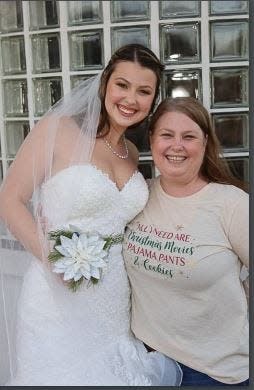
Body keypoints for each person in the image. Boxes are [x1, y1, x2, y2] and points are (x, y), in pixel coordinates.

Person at [0, 44, 182, 386]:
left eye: (144, 91)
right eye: (122, 85)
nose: (130, 99)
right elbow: (10, 198)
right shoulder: (58, 129)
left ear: (153, 101)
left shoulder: (130, 151)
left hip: (113, 295)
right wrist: (51, 256)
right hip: (56, 294)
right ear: (105, 85)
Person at [123, 97, 249, 386]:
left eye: (189, 136)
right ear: (152, 140)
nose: (176, 146)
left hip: (213, 373)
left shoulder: (232, 204)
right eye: (166, 135)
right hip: (147, 363)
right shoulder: (137, 196)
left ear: (205, 142)